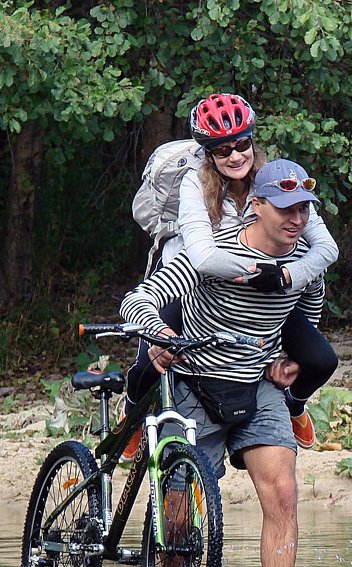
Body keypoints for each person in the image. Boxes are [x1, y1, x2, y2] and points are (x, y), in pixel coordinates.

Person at [120, 158, 329, 567]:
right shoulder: (212, 254)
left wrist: (289, 357)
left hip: (257, 385)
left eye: (304, 210)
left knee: (283, 491)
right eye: (286, 209)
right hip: (196, 382)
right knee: (178, 510)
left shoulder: (306, 265)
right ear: (256, 206)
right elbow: (139, 300)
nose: (297, 220)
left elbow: (308, 312)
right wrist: (159, 334)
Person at [123, 93, 338, 458]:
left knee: (321, 359)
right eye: (223, 150)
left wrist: (285, 277)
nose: (236, 156)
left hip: (267, 292)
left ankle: (294, 404)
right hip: (195, 284)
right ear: (208, 153)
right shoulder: (194, 184)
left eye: (242, 144)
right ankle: (130, 415)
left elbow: (326, 250)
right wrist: (257, 271)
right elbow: (203, 257)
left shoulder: (273, 182)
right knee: (150, 362)